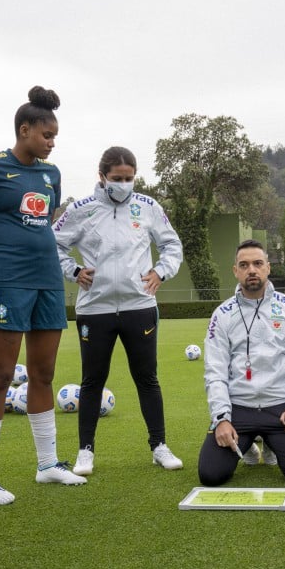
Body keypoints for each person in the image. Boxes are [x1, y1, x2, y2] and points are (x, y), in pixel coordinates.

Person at [0, 86, 86, 505]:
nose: (52, 142)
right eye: (47, 135)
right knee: (1, 376)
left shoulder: (52, 175)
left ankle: (47, 465)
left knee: (43, 374)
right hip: (7, 280)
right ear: (24, 129)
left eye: (55, 136)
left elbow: (44, 223)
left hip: (47, 279)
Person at [54, 146, 184, 476]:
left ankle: (159, 446)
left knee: (147, 378)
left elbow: (172, 244)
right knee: (92, 381)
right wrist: (73, 271)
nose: (124, 184)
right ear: (102, 177)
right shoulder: (81, 209)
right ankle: (85, 451)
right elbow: (51, 244)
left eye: (129, 179)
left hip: (139, 306)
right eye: (117, 179)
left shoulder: (148, 207)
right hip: (94, 309)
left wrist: (161, 272)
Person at [198, 240, 285, 486]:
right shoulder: (222, 314)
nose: (251, 269)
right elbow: (215, 371)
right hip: (238, 408)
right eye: (244, 265)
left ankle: (272, 443)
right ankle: (249, 445)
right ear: (235, 271)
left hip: (280, 408)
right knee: (211, 475)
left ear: (268, 268)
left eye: (257, 263)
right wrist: (221, 418)